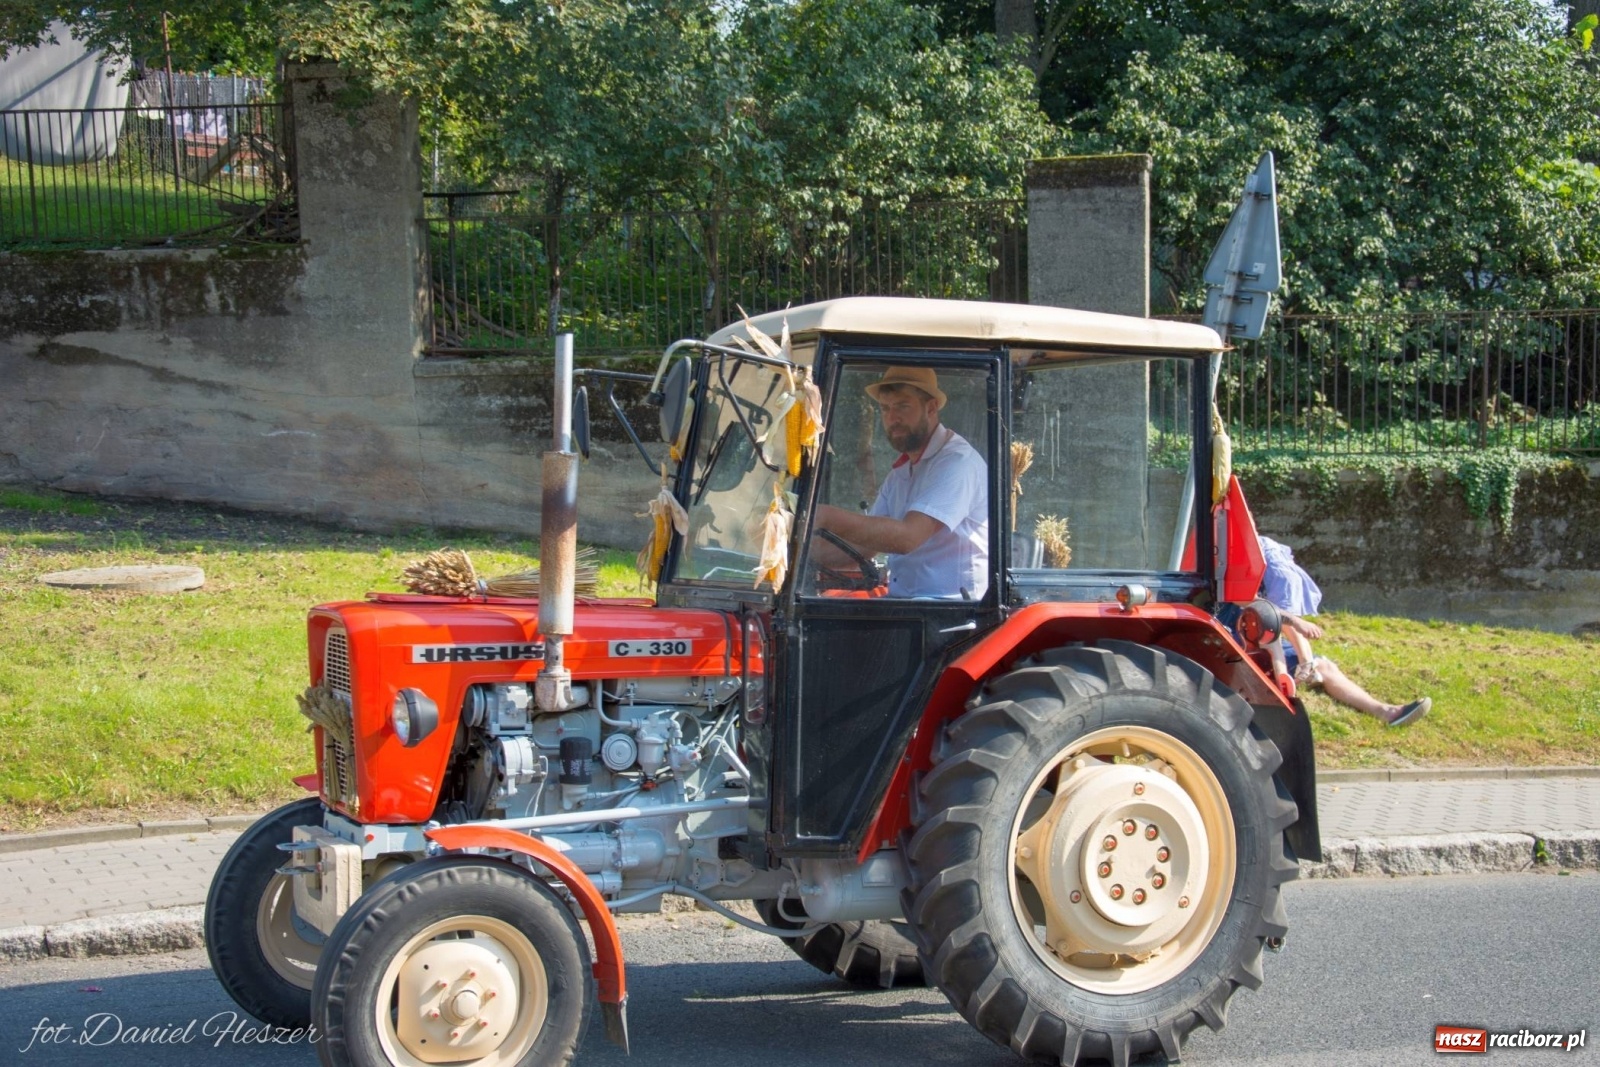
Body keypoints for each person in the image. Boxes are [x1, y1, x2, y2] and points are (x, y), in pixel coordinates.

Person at [812, 367, 988, 599]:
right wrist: (798, 554)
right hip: (908, 603)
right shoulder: (901, 472)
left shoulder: (956, 463)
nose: (892, 418)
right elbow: (866, 545)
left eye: (903, 406)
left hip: (952, 610)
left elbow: (907, 538)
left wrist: (823, 516)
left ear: (931, 407)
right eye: (885, 408)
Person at [1256, 535, 1430, 727]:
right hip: (1245, 644)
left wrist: (1307, 662)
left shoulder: (1268, 560)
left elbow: (1283, 618)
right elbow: (1267, 620)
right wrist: (1282, 673)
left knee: (1324, 666)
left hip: (1264, 636)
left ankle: (1387, 713)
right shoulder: (1244, 570)